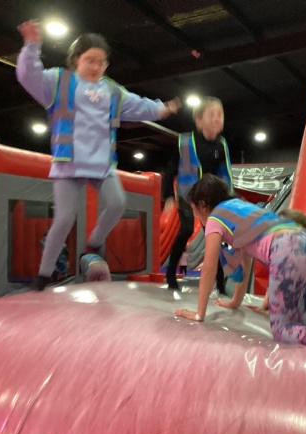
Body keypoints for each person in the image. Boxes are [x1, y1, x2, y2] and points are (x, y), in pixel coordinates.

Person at [16, 20, 180, 291]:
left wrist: (160, 109)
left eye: (101, 62)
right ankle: (43, 275)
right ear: (76, 60)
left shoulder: (111, 90)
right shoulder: (60, 81)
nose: (95, 67)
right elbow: (28, 76)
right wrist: (31, 46)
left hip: (101, 164)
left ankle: (94, 241)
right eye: (90, 60)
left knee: (117, 203)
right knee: (64, 218)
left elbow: (137, 105)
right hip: (69, 162)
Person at [175, 174, 306, 355]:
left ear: (202, 205)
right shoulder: (241, 209)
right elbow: (246, 263)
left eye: (194, 209)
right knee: (301, 318)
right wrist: (235, 302)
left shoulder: (215, 218)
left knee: (282, 331)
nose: (195, 215)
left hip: (287, 249)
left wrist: (199, 314)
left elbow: (209, 267)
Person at [162, 97, 232, 292]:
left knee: (214, 235)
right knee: (185, 230)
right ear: (199, 121)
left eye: (220, 115)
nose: (217, 118)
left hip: (208, 197)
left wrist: (229, 199)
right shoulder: (185, 141)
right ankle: (170, 274)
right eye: (212, 115)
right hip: (187, 194)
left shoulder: (221, 145)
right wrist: (167, 195)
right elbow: (170, 168)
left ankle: (220, 283)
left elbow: (225, 173)